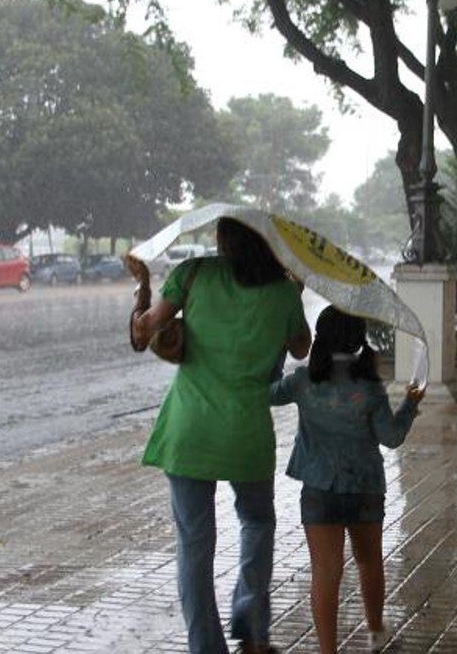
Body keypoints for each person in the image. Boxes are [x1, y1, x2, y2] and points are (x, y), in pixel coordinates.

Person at [132, 217, 311, 654]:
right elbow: (302, 347)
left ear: (222, 240)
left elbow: (144, 330)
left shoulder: (191, 274)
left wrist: (141, 288)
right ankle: (252, 635)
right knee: (257, 522)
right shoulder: (284, 292)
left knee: (194, 545)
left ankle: (206, 649)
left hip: (189, 432)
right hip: (246, 434)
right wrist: (294, 291)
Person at [269, 306, 424, 653]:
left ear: (321, 338)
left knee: (326, 572)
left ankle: (328, 651)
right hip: (365, 488)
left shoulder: (303, 381)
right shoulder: (369, 388)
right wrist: (411, 404)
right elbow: (391, 437)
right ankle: (375, 633)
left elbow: (267, 391)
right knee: (369, 561)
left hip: (319, 489)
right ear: (358, 341)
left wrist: (279, 348)